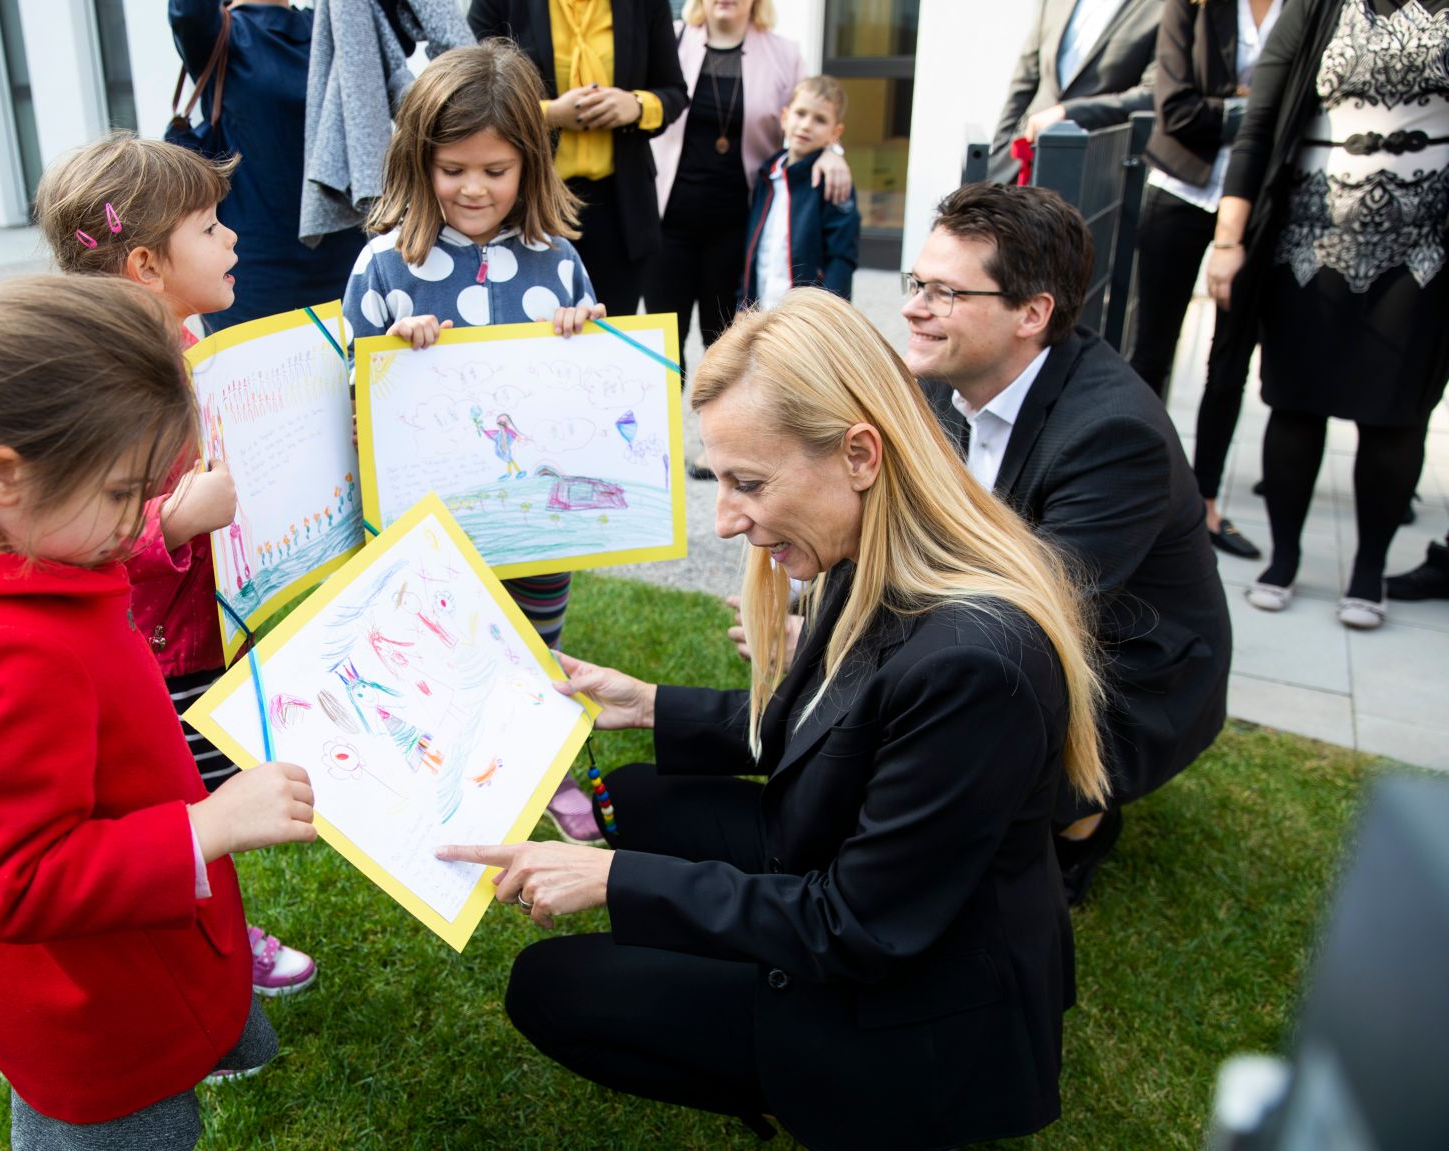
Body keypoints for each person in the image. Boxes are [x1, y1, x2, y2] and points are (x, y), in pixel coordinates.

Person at [438, 288, 1109, 1150]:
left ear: (860, 453)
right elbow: (831, 722)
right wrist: (649, 705)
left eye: (748, 482)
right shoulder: (869, 548)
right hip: (857, 895)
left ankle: (828, 1096)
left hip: (914, 1015)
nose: (725, 517)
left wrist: (612, 880)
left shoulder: (976, 663)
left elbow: (856, 926)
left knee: (554, 984)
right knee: (639, 797)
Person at [0, 275, 319, 1149]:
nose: (141, 517)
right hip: (98, 1007)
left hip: (140, 938)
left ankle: (226, 1031)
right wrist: (204, 828)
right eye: (123, 493)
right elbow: (18, 880)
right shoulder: (3, 651)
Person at [0, 133, 319, 994]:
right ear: (144, 263)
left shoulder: (170, 347)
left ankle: (215, 943)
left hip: (179, 665)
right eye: (210, 226)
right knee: (182, 803)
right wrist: (168, 523)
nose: (235, 238)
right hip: (153, 663)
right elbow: (20, 879)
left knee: (188, 807)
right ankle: (214, 940)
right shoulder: (8, 649)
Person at [902, 183, 1231, 904]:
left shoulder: (1114, 435)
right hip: (1047, 617)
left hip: (1132, 670)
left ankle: (1079, 821)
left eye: (946, 293)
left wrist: (872, 639)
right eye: (918, 282)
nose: (914, 307)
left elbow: (1028, 614)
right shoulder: (947, 376)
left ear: (1032, 313)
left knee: (947, 719)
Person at [343, 42, 608, 844]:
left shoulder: (557, 262)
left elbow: (594, 387)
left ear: (530, 164)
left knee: (537, 645)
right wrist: (388, 353)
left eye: (495, 169)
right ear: (418, 162)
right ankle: (455, 777)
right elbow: (352, 402)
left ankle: (552, 765)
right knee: (449, 654)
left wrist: (583, 332)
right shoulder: (385, 265)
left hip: (536, 521)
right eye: (453, 168)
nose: (473, 188)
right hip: (434, 523)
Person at [1205, 0, 1449, 631]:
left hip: (1425, 246)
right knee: (1295, 403)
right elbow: (1259, 124)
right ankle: (1284, 559)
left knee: (1396, 416)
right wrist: (1229, 240)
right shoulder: (1316, 7)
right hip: (1308, 241)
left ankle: (1369, 569)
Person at [1130, 0, 1282, 562]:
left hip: (1255, 206)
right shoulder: (1191, 7)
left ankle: (1208, 502)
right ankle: (1135, 487)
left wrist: (1235, 109)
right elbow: (1177, 110)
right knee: (1152, 351)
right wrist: (1262, 114)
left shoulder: (1303, 13)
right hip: (1179, 189)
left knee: (1230, 362)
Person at [644, 0, 851, 353]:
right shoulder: (671, 38)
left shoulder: (784, 54)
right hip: (667, 228)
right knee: (662, 348)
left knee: (730, 346)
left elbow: (814, 114)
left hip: (735, 232)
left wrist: (834, 154)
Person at [468, 0, 689, 314]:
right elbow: (471, 92)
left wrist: (637, 106)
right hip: (530, 204)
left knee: (610, 335)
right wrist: (549, 114)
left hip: (620, 210)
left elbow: (675, 91)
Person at [170, 0, 367, 332]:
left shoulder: (329, 22)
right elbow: (189, 11)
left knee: (351, 379)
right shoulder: (221, 31)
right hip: (255, 265)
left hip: (343, 252)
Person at [990, 0, 1163, 183]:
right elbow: (1026, 76)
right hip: (1019, 163)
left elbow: (1151, 96)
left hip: (1090, 177)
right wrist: (1001, 146)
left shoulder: (1162, 7)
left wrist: (1069, 113)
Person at [735, 75, 860, 310]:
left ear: (836, 132)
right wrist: (744, 304)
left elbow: (842, 257)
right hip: (762, 312)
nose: (806, 125)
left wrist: (829, 315)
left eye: (820, 120)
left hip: (804, 319)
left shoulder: (832, 181)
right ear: (784, 117)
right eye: (800, 113)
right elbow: (754, 250)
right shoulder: (767, 175)